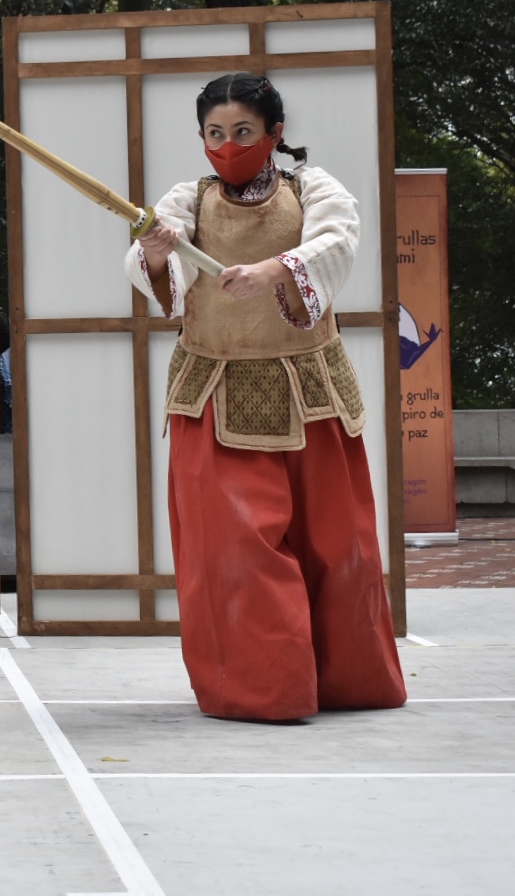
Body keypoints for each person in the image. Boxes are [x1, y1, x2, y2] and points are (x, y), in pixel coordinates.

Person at [124, 72, 405, 721]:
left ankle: (349, 678)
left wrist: (278, 269)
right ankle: (260, 687)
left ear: (274, 133)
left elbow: (338, 241)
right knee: (233, 550)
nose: (227, 146)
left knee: (340, 545)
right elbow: (158, 263)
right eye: (214, 134)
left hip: (310, 390)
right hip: (217, 392)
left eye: (242, 132)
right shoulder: (184, 199)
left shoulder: (311, 188)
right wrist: (156, 251)